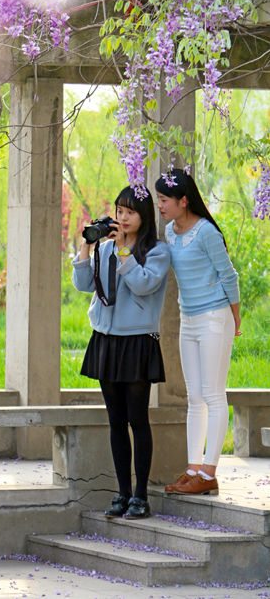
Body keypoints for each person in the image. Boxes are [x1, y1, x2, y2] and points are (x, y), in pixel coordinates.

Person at [72, 186, 170, 520]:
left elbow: (144, 285)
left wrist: (124, 253)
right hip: (106, 339)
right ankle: (122, 492)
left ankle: (141, 495)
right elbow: (85, 285)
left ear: (144, 216)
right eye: (119, 211)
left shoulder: (157, 251)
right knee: (115, 422)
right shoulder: (107, 248)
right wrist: (86, 249)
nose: (123, 218)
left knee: (137, 419)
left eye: (130, 212)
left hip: (137, 340)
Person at [155, 168, 241, 496]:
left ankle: (209, 471)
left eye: (165, 199)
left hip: (215, 317)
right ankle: (193, 469)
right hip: (188, 319)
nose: (160, 205)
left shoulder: (206, 232)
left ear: (183, 201)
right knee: (194, 397)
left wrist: (235, 319)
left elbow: (228, 276)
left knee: (213, 393)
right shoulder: (170, 232)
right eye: (159, 199)